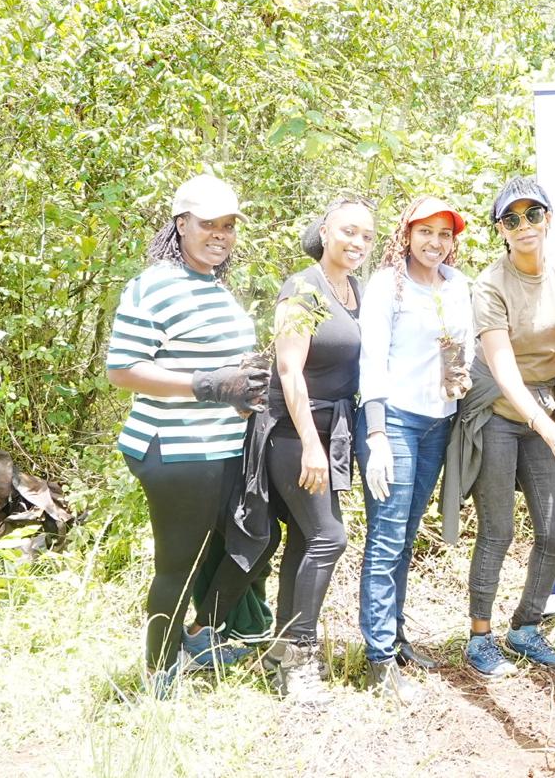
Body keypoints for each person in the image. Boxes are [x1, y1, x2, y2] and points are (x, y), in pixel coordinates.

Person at [106, 173, 272, 696]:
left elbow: (218, 366)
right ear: (181, 225)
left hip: (221, 446)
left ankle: (202, 637)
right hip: (175, 448)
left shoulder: (214, 285)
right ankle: (160, 670)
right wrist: (205, 386)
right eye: (208, 225)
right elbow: (122, 368)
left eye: (228, 226)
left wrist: (242, 390)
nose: (220, 235)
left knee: (248, 546)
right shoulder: (154, 284)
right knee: (178, 562)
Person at [451, 177, 555, 678]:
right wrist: (551, 431)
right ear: (501, 230)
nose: (524, 225)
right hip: (500, 414)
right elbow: (503, 369)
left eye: (533, 214)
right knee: (498, 529)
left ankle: (525, 626)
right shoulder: (489, 285)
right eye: (512, 219)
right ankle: (480, 636)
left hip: (547, 407)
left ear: (548, 218)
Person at [248, 195, 375, 705]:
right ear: (325, 232)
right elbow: (288, 370)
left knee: (306, 538)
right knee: (330, 537)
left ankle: (281, 652)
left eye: (367, 235)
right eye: (348, 231)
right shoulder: (303, 288)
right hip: (290, 431)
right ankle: (298, 656)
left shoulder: (357, 292)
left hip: (333, 431)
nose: (358, 242)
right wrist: (309, 445)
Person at [357, 195, 473, 703]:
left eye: (444, 234)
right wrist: (377, 433)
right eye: (425, 232)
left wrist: (461, 373)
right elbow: (372, 359)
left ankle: (397, 636)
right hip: (395, 420)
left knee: (406, 534)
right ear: (406, 234)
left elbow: (460, 347)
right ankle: (379, 660)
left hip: (438, 422)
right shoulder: (387, 284)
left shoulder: (457, 284)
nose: (434, 242)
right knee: (385, 537)